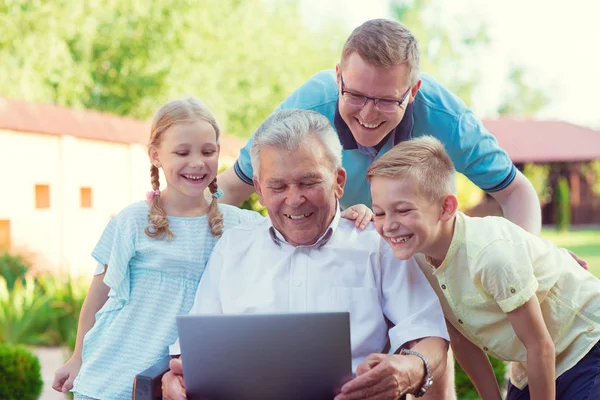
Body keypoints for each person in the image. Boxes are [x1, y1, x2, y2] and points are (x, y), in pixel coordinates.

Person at [51, 98, 372, 400]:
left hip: (174, 377)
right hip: (110, 372)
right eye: (182, 152)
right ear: (155, 155)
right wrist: (78, 357)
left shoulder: (239, 226)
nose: (196, 162)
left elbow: (296, 221)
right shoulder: (133, 221)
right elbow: (98, 297)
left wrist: (350, 214)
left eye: (207, 151)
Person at [162, 109, 450, 400]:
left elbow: (429, 334)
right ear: (260, 190)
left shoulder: (376, 244)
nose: (295, 199)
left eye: (308, 182)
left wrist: (410, 369)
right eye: (278, 186)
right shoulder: (233, 247)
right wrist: (175, 380)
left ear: (338, 181)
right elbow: (192, 352)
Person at [217, 18, 542, 237]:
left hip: (417, 250)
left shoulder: (448, 120)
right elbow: (231, 188)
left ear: (413, 91)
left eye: (387, 100)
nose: (368, 115)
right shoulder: (305, 109)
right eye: (355, 95)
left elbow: (516, 192)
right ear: (339, 77)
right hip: (338, 244)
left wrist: (531, 260)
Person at [367, 136, 600, 400]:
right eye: (379, 212)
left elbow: (540, 345)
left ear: (446, 208)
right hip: (534, 359)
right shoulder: (416, 258)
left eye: (403, 210)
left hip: (586, 340)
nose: (388, 225)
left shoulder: (490, 255)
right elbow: (461, 338)